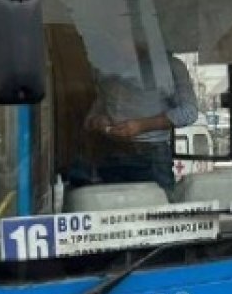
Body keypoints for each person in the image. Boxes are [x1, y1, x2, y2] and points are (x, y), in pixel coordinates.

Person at [84, 52, 198, 192]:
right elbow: (98, 106)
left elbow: (189, 112)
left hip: (151, 155)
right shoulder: (104, 67)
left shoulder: (169, 66)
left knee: (156, 210)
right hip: (109, 153)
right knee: (110, 210)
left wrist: (142, 126)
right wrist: (98, 120)